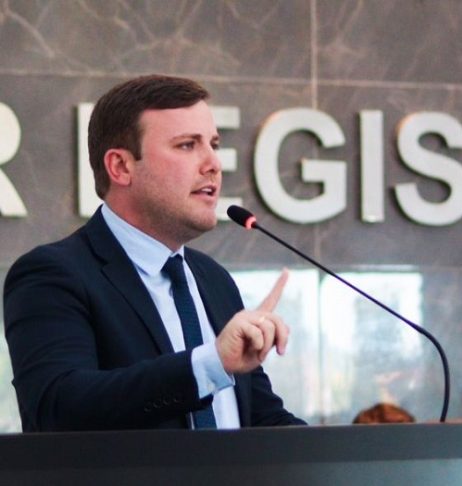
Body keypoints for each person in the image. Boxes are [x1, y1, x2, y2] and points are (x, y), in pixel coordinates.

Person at [3, 74, 305, 431]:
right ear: (121, 167)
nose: (213, 164)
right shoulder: (53, 275)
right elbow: (58, 407)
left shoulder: (214, 279)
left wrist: (345, 452)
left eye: (213, 144)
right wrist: (209, 364)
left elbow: (261, 420)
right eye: (187, 145)